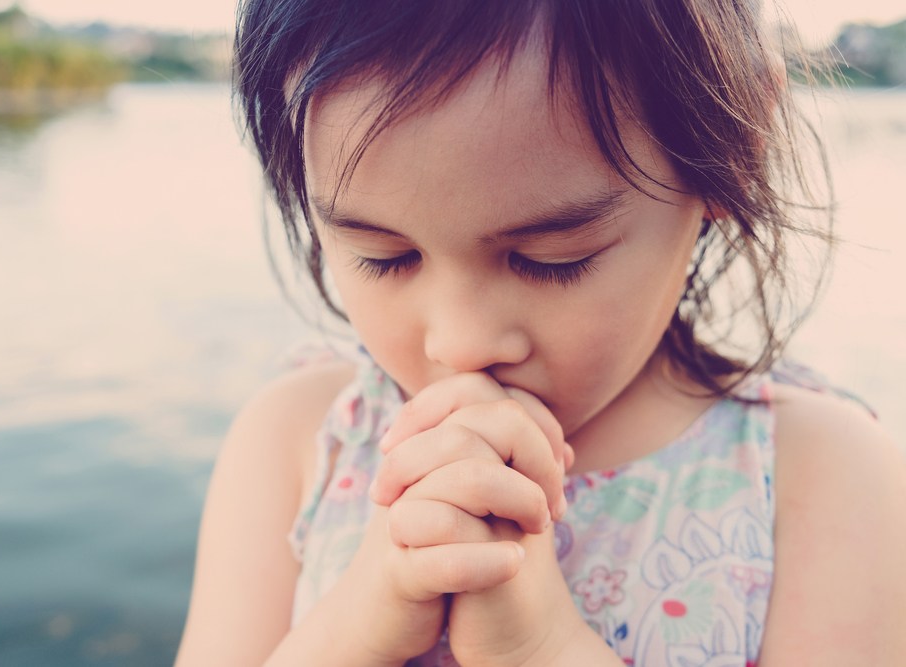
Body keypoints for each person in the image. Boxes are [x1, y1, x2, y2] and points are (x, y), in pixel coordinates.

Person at [175, 1, 906, 665]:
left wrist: (541, 647)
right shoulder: (302, 441)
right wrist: (356, 624)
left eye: (549, 260)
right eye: (385, 257)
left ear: (733, 147)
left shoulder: (820, 476)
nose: (459, 345)